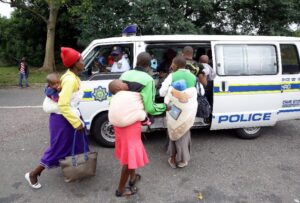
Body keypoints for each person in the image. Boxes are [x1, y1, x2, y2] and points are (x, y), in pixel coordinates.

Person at [25, 47, 88, 189]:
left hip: (67, 117)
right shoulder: (70, 80)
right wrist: (77, 122)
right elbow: (63, 104)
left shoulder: (72, 76)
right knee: (58, 148)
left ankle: (76, 168)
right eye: (81, 60)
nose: (83, 62)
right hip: (63, 120)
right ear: (75, 63)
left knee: (78, 142)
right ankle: (33, 174)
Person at [113, 52, 167, 197]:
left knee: (129, 153)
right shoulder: (148, 80)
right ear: (149, 65)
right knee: (129, 156)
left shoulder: (124, 74)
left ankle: (132, 178)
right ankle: (120, 190)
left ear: (136, 62)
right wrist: (164, 107)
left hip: (119, 119)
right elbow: (150, 108)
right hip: (131, 122)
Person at [159, 56, 197, 169]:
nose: (171, 65)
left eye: (172, 63)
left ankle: (173, 158)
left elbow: (162, 93)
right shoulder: (193, 76)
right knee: (185, 130)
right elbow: (200, 92)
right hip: (188, 110)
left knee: (174, 131)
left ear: (175, 65)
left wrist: (172, 91)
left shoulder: (172, 76)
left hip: (174, 109)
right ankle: (184, 160)